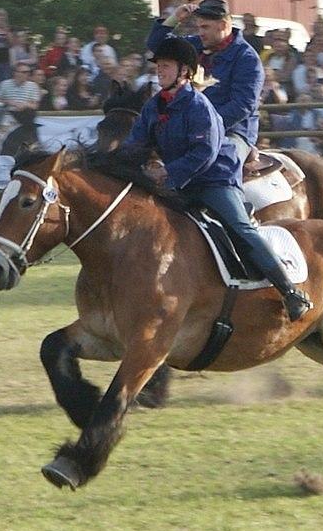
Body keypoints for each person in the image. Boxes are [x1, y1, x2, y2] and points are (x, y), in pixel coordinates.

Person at [123, 37, 312, 322]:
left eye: (165, 66)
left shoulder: (199, 105)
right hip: (178, 182)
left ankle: (290, 291)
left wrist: (168, 173)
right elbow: (135, 144)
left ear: (184, 72)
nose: (159, 71)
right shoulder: (153, 107)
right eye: (158, 66)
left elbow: (205, 152)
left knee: (241, 229)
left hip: (213, 180)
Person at [147, 0, 265, 166]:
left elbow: (242, 106)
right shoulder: (196, 45)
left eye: (205, 27)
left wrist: (203, 125)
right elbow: (157, 45)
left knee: (218, 169)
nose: (200, 32)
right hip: (189, 128)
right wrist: (175, 18)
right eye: (199, 27)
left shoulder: (247, 59)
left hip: (233, 132)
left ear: (223, 25)